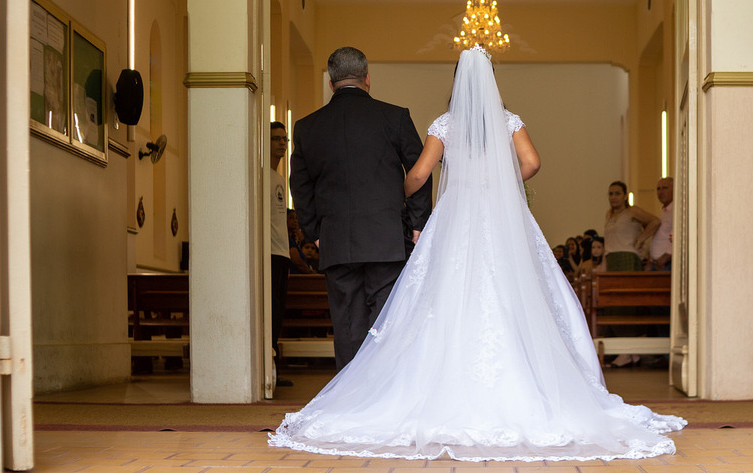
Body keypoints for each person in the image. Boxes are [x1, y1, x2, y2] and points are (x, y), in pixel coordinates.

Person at [270, 47, 686, 460]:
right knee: (510, 292)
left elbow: (417, 173)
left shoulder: (446, 124)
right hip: (500, 219)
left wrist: (391, 197)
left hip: (456, 217)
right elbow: (533, 162)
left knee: (443, 295)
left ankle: (389, 390)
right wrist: (501, 180)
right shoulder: (508, 122)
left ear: (457, 84)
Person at [288, 46, 433, 369]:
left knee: (348, 326)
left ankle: (348, 403)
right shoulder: (395, 117)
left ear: (331, 83)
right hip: (387, 240)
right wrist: (416, 225)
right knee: (388, 324)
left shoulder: (307, 127)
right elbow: (420, 171)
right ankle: (385, 399)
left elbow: (300, 186)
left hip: (337, 241)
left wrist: (315, 233)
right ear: (368, 79)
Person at [269, 121, 293, 386]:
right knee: (271, 311)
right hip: (271, 253)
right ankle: (270, 368)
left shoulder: (279, 177)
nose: (281, 143)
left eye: (284, 139)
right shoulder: (264, 175)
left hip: (281, 252)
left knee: (278, 311)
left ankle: (274, 367)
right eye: (276, 138)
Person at [603, 181, 660, 271]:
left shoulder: (632, 211)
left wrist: (640, 239)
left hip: (627, 256)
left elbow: (655, 221)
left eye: (617, 194)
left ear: (625, 196)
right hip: (611, 257)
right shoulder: (609, 214)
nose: (613, 197)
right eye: (611, 194)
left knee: (628, 284)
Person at [647, 177, 675, 271]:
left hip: (667, 264)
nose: (661, 192)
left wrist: (666, 256)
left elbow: (680, 238)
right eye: (658, 189)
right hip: (657, 264)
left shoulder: (676, 211)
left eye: (665, 188)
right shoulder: (664, 212)